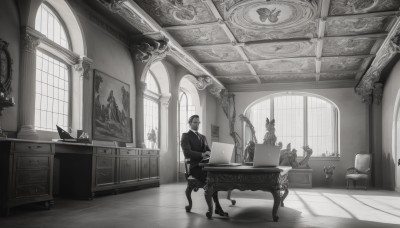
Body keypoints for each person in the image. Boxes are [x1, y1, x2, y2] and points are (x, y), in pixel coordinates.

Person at [180, 115, 227, 216]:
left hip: (206, 165)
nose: (197, 124)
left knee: (214, 177)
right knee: (211, 179)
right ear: (190, 123)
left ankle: (217, 207)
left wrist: (211, 153)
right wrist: (202, 154)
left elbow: (208, 150)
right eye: (195, 122)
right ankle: (216, 208)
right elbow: (187, 153)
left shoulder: (203, 137)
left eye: (198, 122)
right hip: (195, 167)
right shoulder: (186, 136)